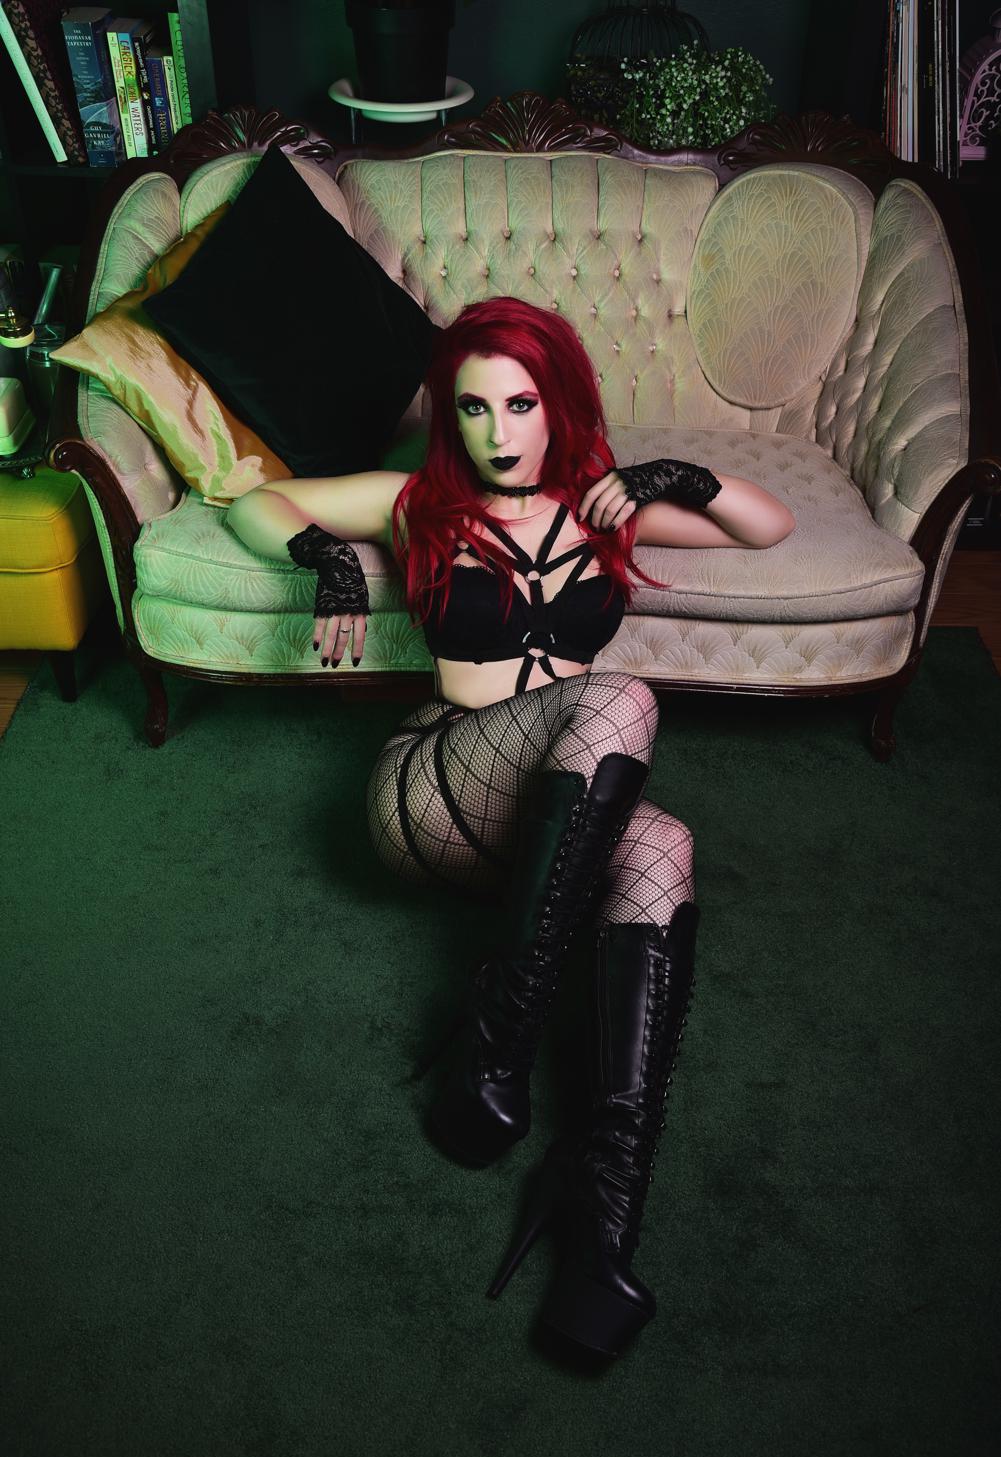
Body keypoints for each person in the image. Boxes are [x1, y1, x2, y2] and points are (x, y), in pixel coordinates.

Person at [226, 297, 794, 1358]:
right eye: (474, 407)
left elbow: (769, 527)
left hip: (550, 837)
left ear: (557, 407)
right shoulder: (417, 502)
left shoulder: (602, 510)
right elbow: (253, 506)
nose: (497, 430)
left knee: (665, 847)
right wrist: (326, 558)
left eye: (520, 404)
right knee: (620, 698)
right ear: (449, 415)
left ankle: (601, 1208)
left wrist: (678, 477)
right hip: (436, 792)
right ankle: (503, 1026)